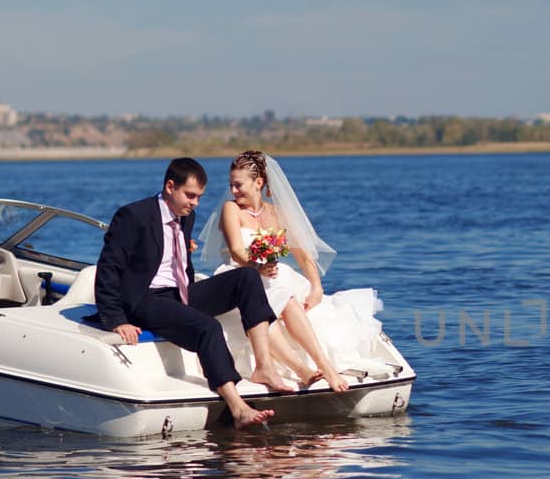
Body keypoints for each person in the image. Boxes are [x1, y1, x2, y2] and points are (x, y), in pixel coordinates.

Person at [94, 157, 287, 429]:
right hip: (145, 300)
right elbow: (108, 269)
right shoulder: (133, 216)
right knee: (207, 327)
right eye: (190, 195)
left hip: (179, 293)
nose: (195, 203)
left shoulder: (186, 215)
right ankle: (238, 408)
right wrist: (116, 319)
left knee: (246, 276)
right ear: (170, 187)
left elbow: (178, 261)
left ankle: (264, 366)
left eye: (199, 197)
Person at [197, 151, 382, 391]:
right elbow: (235, 251)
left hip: (274, 277)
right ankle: (302, 370)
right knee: (274, 302)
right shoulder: (231, 209)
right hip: (239, 276)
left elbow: (302, 253)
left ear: (259, 183)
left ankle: (323, 366)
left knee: (289, 299)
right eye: (231, 185)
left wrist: (316, 286)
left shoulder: (276, 213)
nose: (233, 190)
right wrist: (257, 266)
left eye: (238, 184)